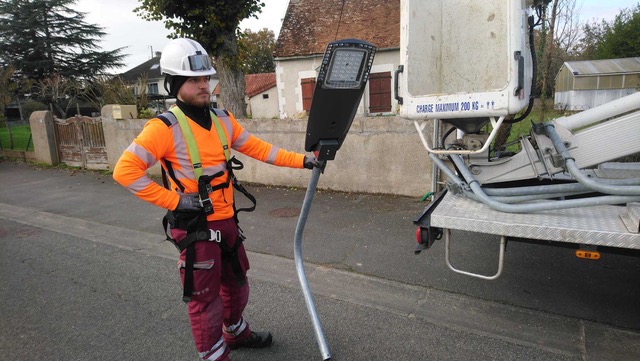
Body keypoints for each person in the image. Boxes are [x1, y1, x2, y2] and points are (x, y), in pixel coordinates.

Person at [113, 38, 318, 361]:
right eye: (194, 80)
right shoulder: (163, 128)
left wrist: (303, 160)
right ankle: (212, 355)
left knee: (237, 284)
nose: (203, 85)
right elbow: (125, 171)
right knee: (204, 298)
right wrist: (175, 202)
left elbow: (260, 148)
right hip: (195, 226)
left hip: (227, 220)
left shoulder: (223, 119)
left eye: (206, 78)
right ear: (174, 83)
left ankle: (235, 332)